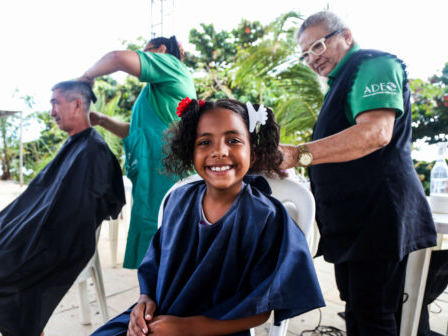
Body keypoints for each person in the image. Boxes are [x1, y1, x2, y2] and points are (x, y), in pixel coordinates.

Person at [91, 98, 325, 336]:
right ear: (190, 151)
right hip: (159, 321)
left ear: (253, 153)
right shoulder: (177, 201)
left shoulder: (266, 218)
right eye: (205, 142)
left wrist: (186, 328)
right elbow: (155, 266)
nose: (219, 151)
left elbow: (261, 308)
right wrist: (144, 301)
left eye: (233, 140)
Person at [279, 11, 438, 335]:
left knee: (375, 318)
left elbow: (376, 133)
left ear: (346, 36)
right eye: (305, 54)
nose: (312, 59)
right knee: (361, 311)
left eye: (318, 47)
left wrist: (297, 154)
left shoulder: (373, 64)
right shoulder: (339, 83)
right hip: (353, 223)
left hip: (380, 218)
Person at [0, 81, 126, 336]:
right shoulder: (75, 144)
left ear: (77, 104)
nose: (51, 112)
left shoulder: (93, 150)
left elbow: (75, 215)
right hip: (42, 229)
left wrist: (28, 234)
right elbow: (40, 196)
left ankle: (20, 328)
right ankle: (14, 325)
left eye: (55, 103)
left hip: (58, 241)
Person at [77, 35, 197, 269]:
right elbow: (136, 132)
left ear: (162, 50)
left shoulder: (171, 66)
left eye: (146, 51)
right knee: (154, 258)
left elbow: (117, 58)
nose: (141, 57)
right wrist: (101, 120)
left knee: (172, 253)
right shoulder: (154, 93)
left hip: (169, 177)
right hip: (151, 180)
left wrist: (86, 76)